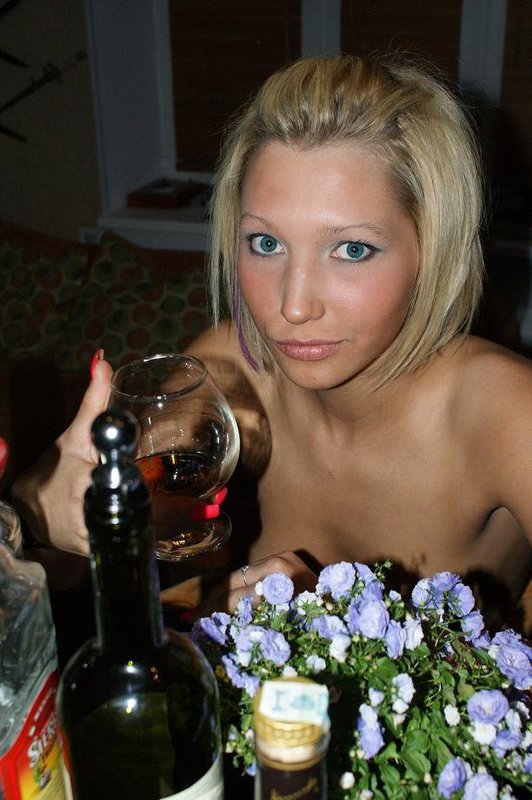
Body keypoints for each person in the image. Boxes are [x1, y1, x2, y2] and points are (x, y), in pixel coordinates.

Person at [11, 54, 532, 631]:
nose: (294, 306)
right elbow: (79, 555)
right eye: (265, 244)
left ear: (433, 251)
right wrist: (40, 514)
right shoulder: (230, 374)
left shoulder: (508, 413)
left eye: (351, 249)